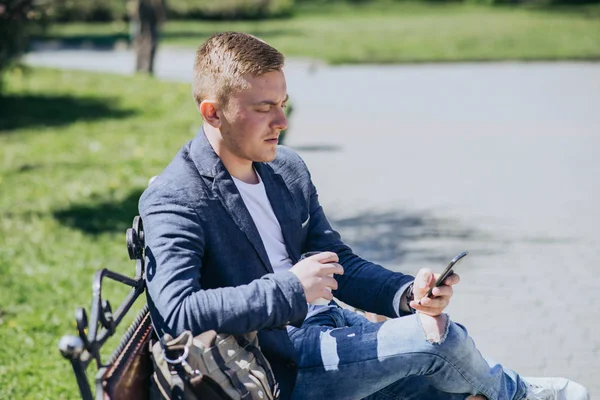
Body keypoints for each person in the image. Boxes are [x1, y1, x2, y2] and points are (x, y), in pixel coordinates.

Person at [139, 32, 589, 400]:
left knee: (451, 386)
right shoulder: (177, 197)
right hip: (283, 363)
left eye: (283, 104)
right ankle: (518, 393)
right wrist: (291, 288)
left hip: (329, 325)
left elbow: (339, 263)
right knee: (438, 340)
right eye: (263, 109)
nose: (282, 121)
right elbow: (176, 311)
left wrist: (406, 293)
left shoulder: (286, 168)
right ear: (212, 113)